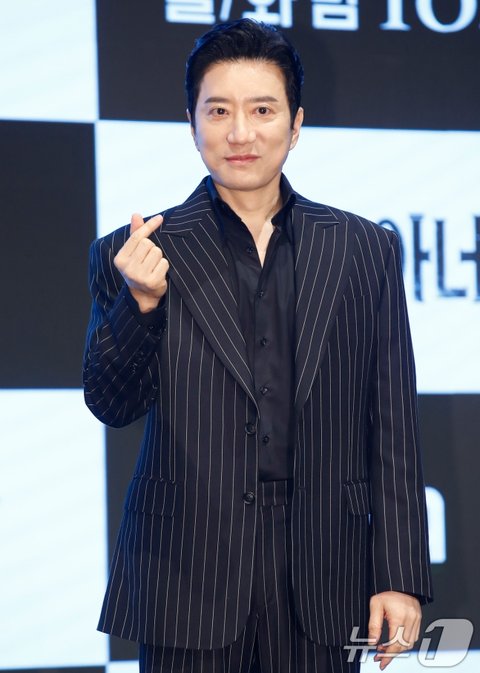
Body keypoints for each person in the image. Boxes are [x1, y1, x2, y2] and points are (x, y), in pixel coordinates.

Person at [83, 18, 433, 673]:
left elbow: (391, 422)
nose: (240, 133)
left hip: (324, 570)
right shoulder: (134, 253)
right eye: (218, 111)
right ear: (191, 124)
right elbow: (110, 402)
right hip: (186, 573)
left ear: (295, 124)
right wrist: (142, 305)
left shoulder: (365, 249)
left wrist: (399, 573)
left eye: (262, 110)